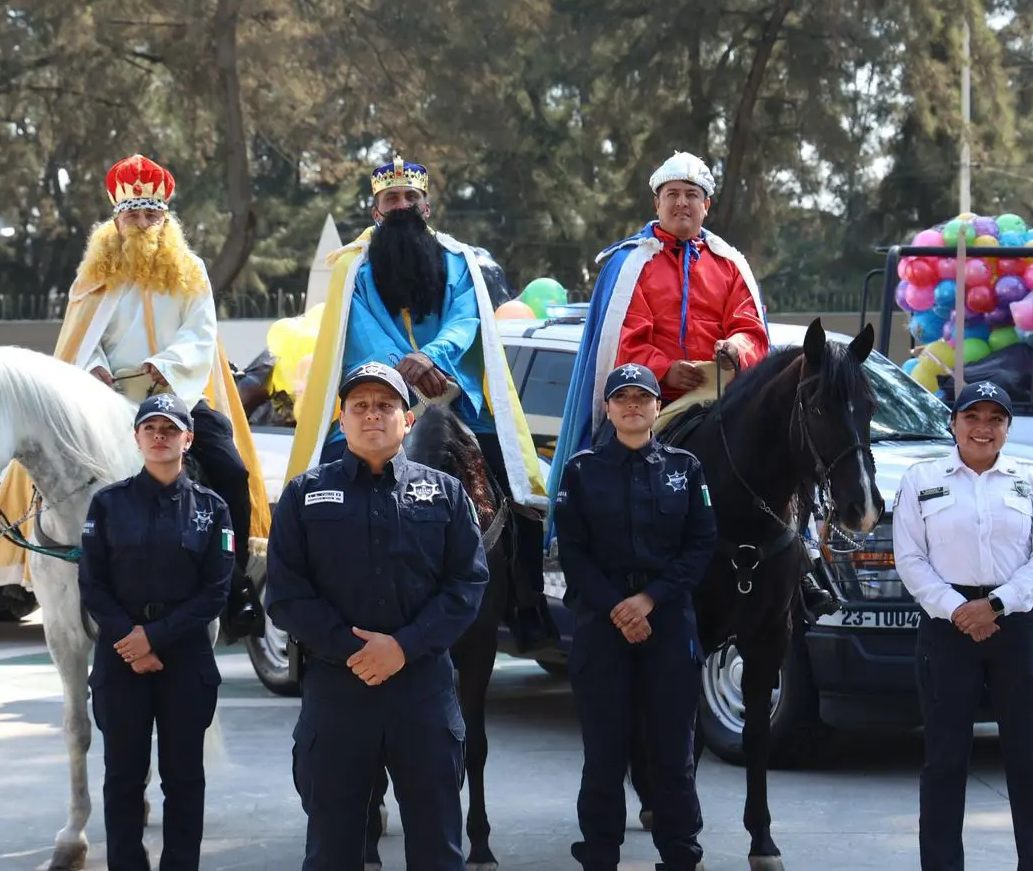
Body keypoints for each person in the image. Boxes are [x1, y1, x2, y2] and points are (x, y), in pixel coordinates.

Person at [0, 153, 267, 643]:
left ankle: (234, 584)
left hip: (179, 395)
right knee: (37, 461)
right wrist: (97, 370)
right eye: (132, 215)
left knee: (231, 469)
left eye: (151, 215)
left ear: (165, 219)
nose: (142, 223)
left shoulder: (191, 269)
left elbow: (201, 331)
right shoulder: (93, 275)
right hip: (109, 401)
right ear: (116, 219)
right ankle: (24, 575)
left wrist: (166, 365)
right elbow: (82, 341)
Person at [549, 149, 838, 617]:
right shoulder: (629, 265)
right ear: (656, 204)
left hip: (723, 388)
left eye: (691, 195)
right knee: (608, 455)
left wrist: (736, 350)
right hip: (648, 394)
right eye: (672, 195)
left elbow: (751, 328)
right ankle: (599, 569)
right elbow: (625, 335)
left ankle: (803, 568)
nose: (682, 203)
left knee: (786, 455)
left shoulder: (729, 264)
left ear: (707, 206)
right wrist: (664, 369)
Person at [285, 154, 553, 652]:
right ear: (376, 211)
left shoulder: (461, 261)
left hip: (453, 396)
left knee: (518, 485)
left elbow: (465, 318)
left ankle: (527, 601)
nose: (402, 205)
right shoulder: (353, 270)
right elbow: (359, 330)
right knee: (321, 483)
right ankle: (311, 612)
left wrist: (431, 360)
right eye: (392, 199)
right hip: (381, 396)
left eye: (411, 198)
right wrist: (402, 370)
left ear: (426, 207)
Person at [266, 361, 488, 871]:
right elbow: (286, 593)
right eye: (360, 406)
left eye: (385, 406)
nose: (372, 416)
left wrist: (402, 648)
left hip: (423, 694)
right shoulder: (303, 496)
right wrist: (357, 651)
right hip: (338, 692)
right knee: (332, 850)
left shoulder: (447, 494)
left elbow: (467, 583)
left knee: (437, 849)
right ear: (340, 421)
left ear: (407, 420)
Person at [892, 381, 1033, 871]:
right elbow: (910, 557)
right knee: (944, 760)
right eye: (972, 417)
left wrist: (997, 604)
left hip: (1019, 623)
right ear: (953, 423)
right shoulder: (920, 477)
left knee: (1029, 760)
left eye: (995, 419)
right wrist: (957, 609)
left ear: (1008, 428)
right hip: (947, 627)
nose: (983, 429)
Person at [554, 364, 714, 871]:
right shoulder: (581, 471)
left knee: (672, 753)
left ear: (655, 407)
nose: (631, 406)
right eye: (620, 398)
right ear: (607, 408)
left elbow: (701, 543)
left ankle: (681, 856)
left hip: (666, 622)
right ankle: (599, 856)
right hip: (602, 623)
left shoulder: (685, 468)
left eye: (641, 398)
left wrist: (649, 601)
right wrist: (619, 607)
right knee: (604, 755)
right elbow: (573, 553)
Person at [79, 392, 233, 871]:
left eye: (170, 429)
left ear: (188, 439)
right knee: (123, 777)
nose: (160, 436)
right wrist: (132, 640)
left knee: (184, 777)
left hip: (184, 658)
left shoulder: (212, 508)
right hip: (120, 656)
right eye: (151, 428)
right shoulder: (107, 504)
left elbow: (215, 591)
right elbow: (92, 583)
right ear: (137, 438)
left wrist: (156, 637)